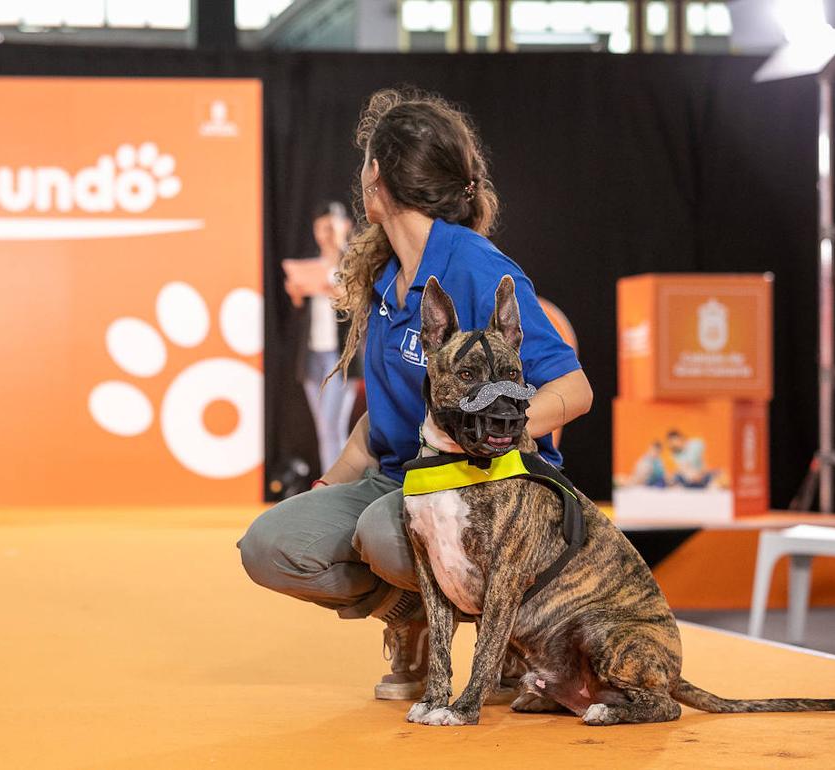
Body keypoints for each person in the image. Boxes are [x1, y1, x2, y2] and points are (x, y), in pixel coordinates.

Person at [238, 88, 594, 700]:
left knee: (383, 532)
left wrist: (492, 429)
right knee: (272, 546)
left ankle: (507, 635)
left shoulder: (479, 269)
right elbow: (384, 408)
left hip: (489, 485)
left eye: (364, 165)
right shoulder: (385, 280)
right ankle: (414, 617)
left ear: (377, 177)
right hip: (402, 478)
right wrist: (329, 486)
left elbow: (575, 389)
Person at [282, 202, 361, 473]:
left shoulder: (355, 263)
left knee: (332, 425)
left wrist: (339, 292)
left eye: (330, 227)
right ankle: (330, 481)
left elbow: (364, 305)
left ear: (345, 227)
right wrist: (296, 292)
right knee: (322, 427)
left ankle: (334, 485)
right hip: (313, 352)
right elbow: (301, 313)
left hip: (340, 355)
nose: (325, 234)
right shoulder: (311, 264)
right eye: (320, 228)